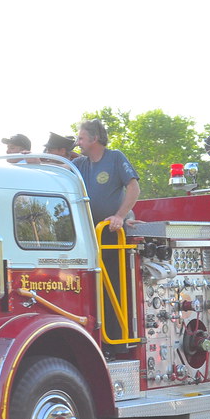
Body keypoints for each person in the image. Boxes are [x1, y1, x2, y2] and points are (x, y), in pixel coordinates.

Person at [73, 118, 140, 354]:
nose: (77, 142)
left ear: (94, 139)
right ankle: (100, 342)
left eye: (81, 137)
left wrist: (120, 216)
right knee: (94, 289)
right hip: (91, 240)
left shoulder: (115, 158)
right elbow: (60, 168)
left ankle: (119, 344)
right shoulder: (80, 163)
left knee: (115, 288)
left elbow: (133, 187)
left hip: (112, 236)